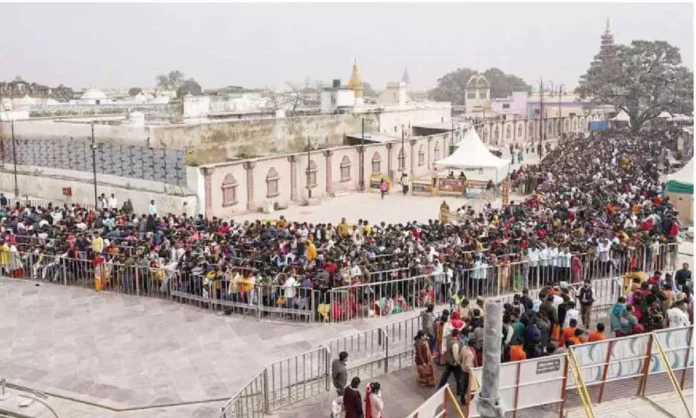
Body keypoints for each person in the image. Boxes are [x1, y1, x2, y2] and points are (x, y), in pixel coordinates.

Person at [437, 328, 463, 397]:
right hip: (454, 363)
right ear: (457, 335)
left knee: (445, 375)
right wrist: (458, 362)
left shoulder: (448, 339)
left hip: (448, 360)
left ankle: (440, 386)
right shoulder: (455, 344)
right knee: (458, 377)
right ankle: (459, 391)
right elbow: (456, 355)